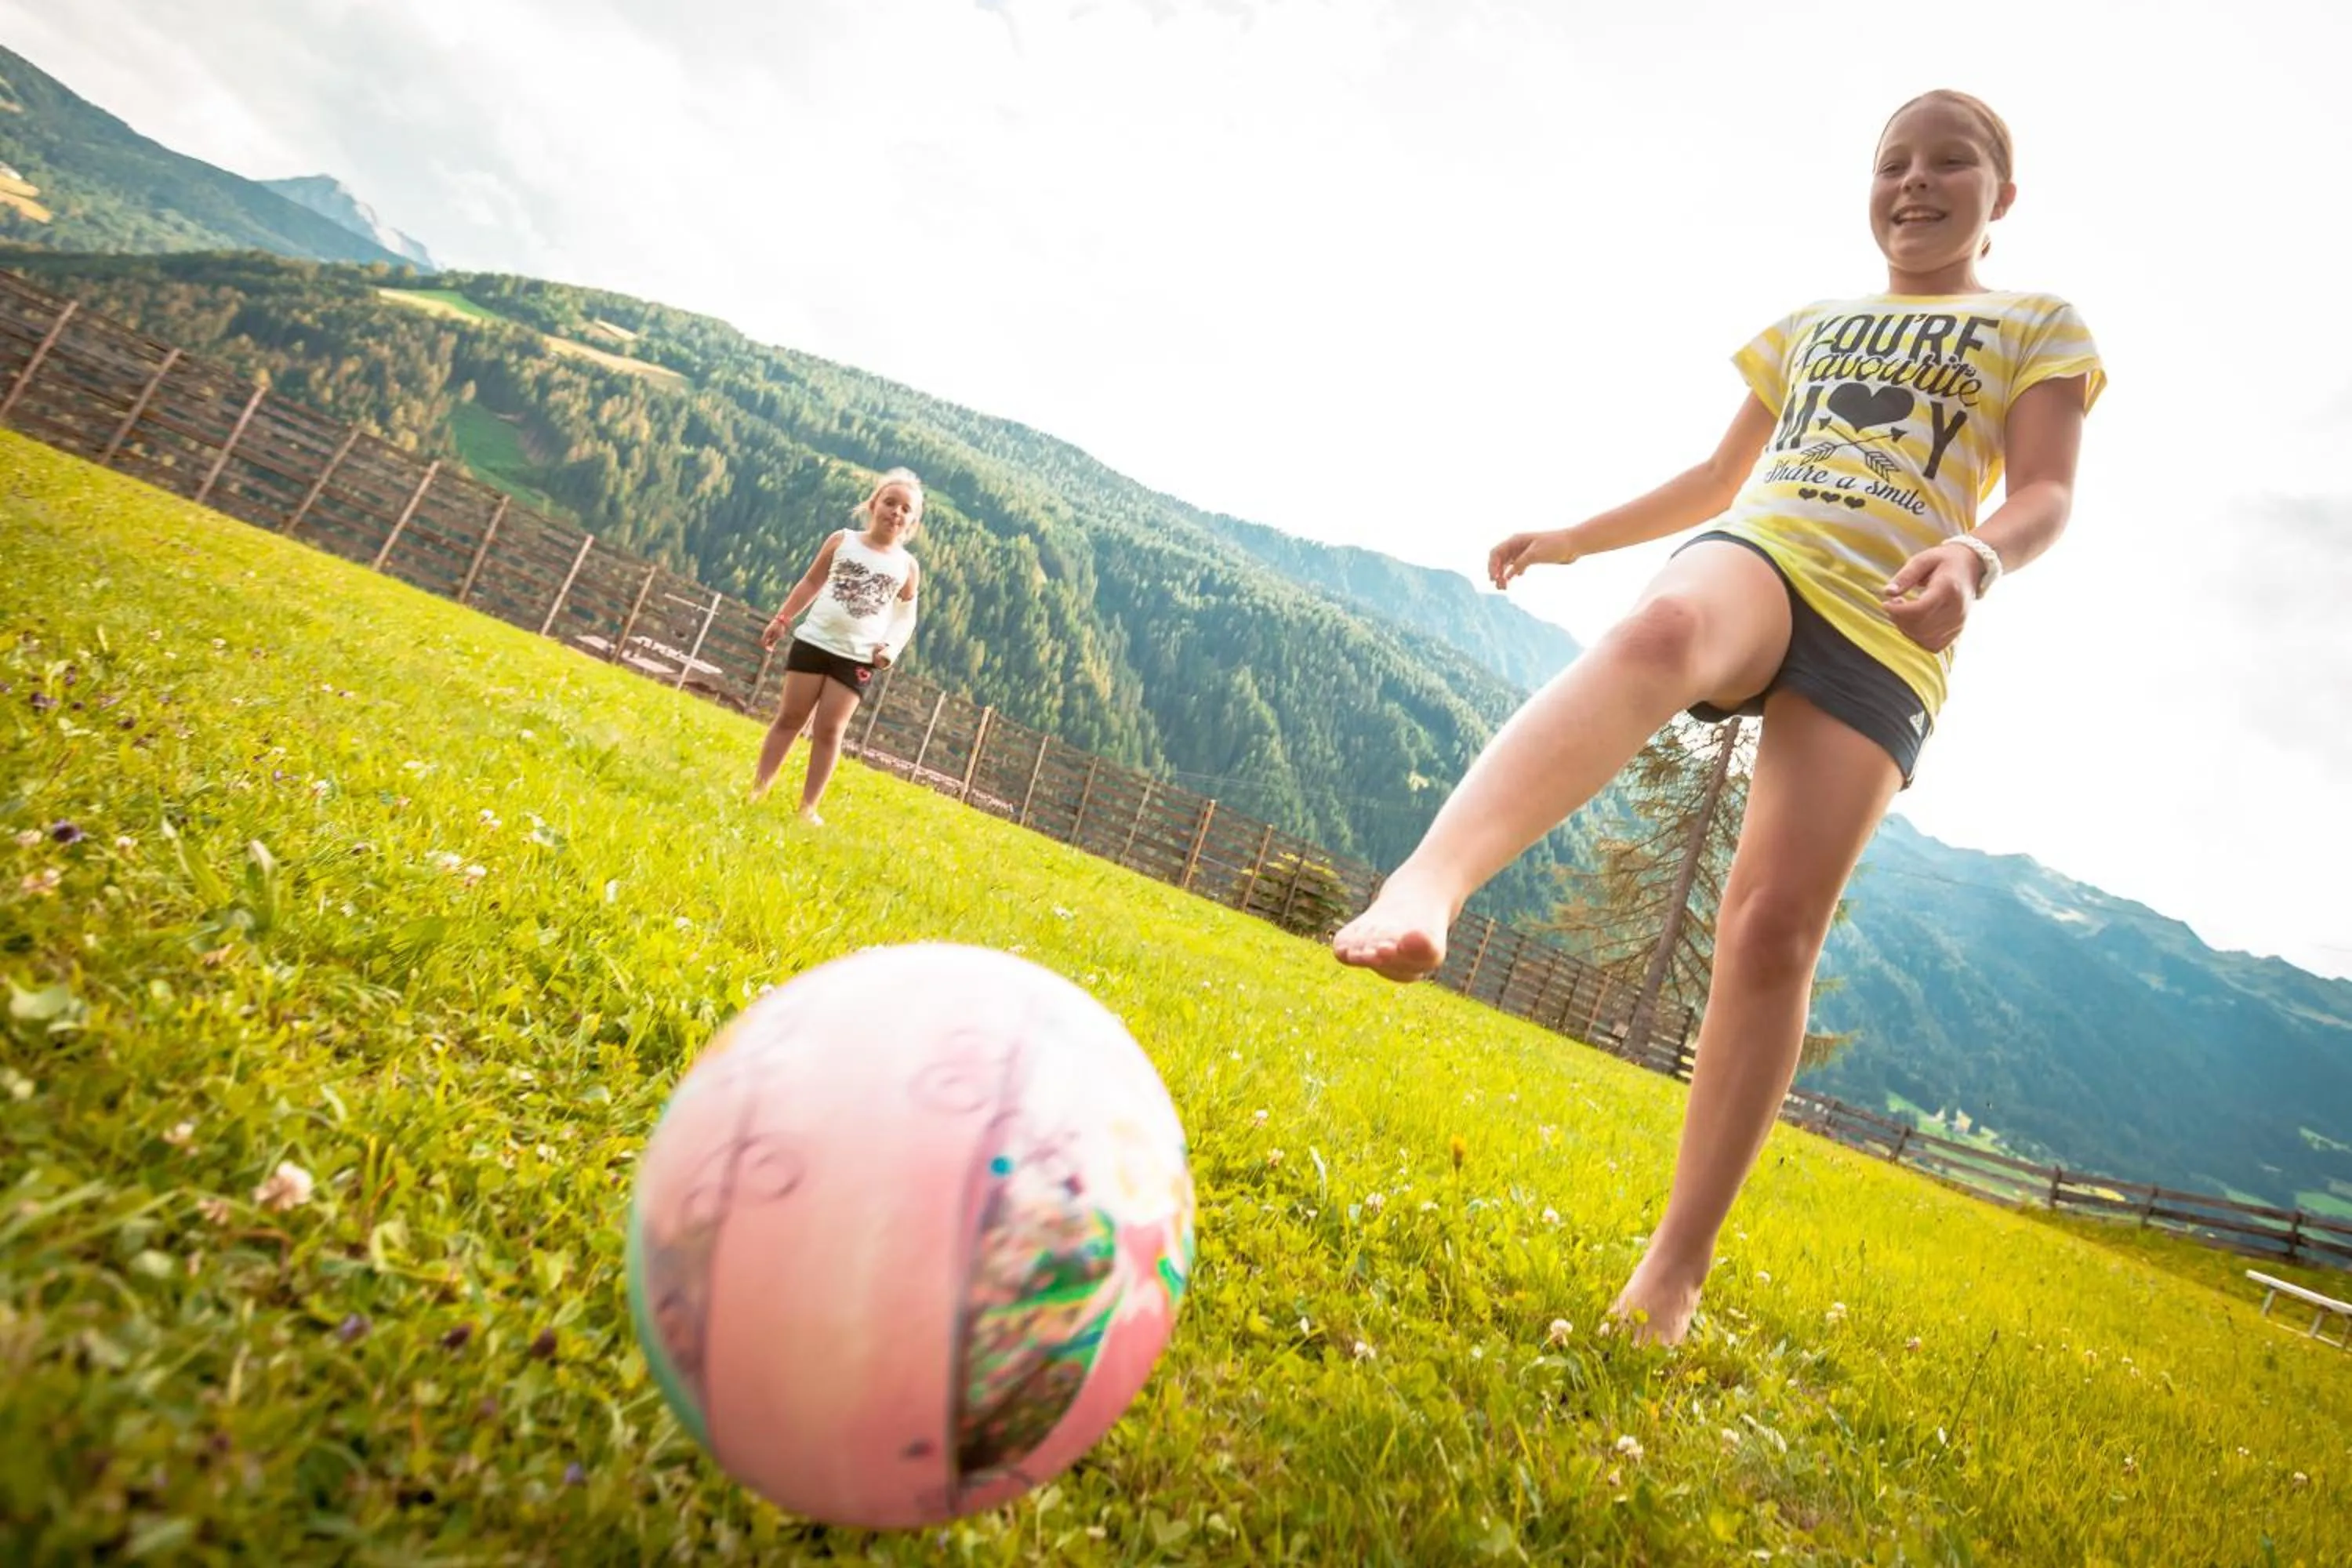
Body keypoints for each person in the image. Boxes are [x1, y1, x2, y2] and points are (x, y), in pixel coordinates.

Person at [1331, 90, 2104, 1345]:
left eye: (1948, 163)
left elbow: (2050, 490)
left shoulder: (2036, 324)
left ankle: (1674, 1271)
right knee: (1662, 632)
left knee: (1771, 930)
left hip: (1891, 620)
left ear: (2000, 197)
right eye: (1892, 163)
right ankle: (1430, 883)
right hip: (1767, 548)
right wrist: (1573, 538)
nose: (1914, 182)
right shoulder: (1810, 325)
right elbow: (1713, 480)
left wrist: (1975, 556)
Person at [751, 469, 924, 823]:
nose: (896, 511)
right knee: (790, 718)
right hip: (813, 643)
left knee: (830, 731)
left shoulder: (907, 566)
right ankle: (759, 790)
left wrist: (889, 649)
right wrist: (782, 619)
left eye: (906, 509)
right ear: (873, 504)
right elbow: (811, 582)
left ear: (913, 522)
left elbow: (905, 617)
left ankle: (808, 808)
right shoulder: (842, 540)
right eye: (890, 502)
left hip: (857, 658)